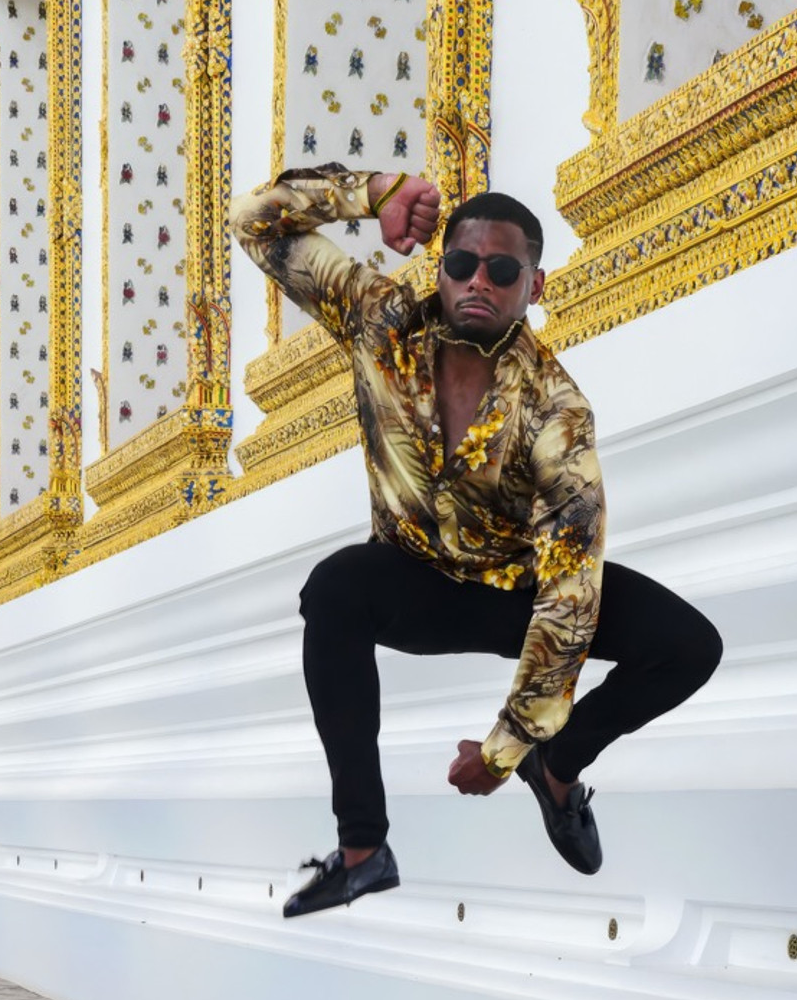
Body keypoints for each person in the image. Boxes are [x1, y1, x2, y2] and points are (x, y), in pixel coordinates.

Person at [231, 163, 722, 918]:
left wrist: (509, 749)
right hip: (414, 581)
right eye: (462, 265)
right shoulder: (378, 315)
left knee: (691, 645)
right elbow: (255, 220)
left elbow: (568, 595)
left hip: (518, 596)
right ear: (442, 267)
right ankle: (363, 849)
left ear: (536, 284)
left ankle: (561, 765)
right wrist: (372, 196)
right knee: (333, 590)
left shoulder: (556, 410)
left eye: (502, 270)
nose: (478, 283)